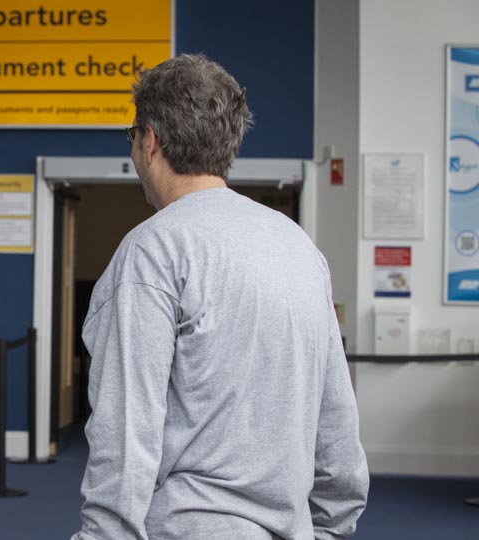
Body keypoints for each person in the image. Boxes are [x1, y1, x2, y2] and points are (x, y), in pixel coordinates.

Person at [72, 54, 368, 540]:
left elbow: (125, 433)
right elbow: (336, 418)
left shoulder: (153, 251)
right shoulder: (297, 246)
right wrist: (329, 527)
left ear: (149, 141)